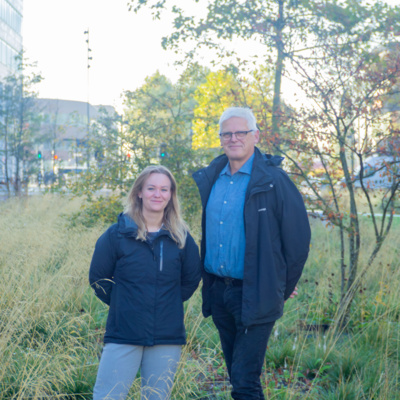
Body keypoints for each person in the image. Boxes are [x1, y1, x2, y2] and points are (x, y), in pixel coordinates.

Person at [192, 107, 311, 399]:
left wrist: (280, 284)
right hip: (220, 291)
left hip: (256, 294)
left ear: (255, 136)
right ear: (221, 138)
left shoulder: (274, 180)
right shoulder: (213, 178)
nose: (234, 138)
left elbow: (298, 242)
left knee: (245, 382)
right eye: (227, 133)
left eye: (240, 132)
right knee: (237, 374)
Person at [89, 165, 201, 400]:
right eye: (151, 188)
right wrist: (124, 303)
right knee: (107, 396)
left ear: (171, 195)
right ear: (139, 192)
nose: (157, 194)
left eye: (164, 189)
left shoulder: (181, 237)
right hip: (124, 332)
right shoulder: (116, 235)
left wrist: (164, 302)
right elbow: (99, 279)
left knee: (157, 397)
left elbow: (190, 280)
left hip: (166, 335)